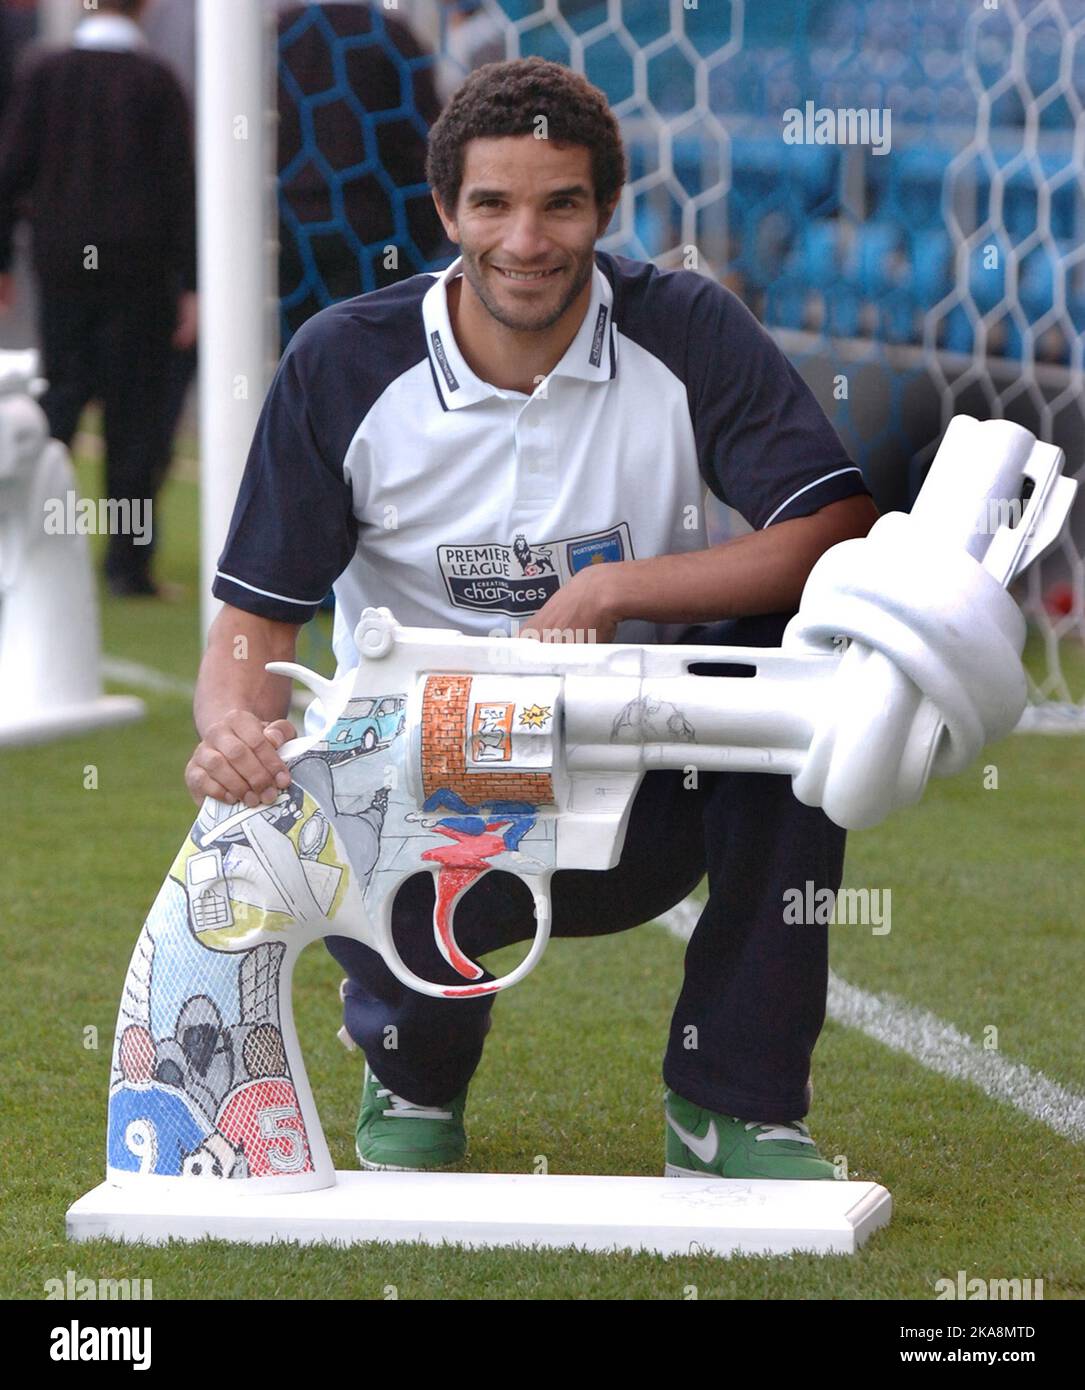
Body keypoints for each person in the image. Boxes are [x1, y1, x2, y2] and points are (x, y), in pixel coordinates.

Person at [187, 58, 879, 1181]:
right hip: (430, 785)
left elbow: (834, 526)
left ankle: (732, 1105)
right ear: (445, 210)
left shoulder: (687, 329)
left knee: (804, 665)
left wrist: (614, 590)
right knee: (421, 1043)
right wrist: (229, 725)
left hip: (652, 774)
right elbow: (252, 622)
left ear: (605, 210)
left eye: (560, 203)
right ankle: (406, 1069)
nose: (526, 239)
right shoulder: (343, 361)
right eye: (493, 205)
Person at [0, 0, 196, 597]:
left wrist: (2, 259)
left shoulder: (45, 72)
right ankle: (127, 565)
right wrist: (193, 284)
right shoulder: (157, 82)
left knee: (56, 404)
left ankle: (26, 546)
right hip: (142, 275)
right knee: (135, 420)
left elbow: (10, 171)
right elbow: (181, 188)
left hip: (62, 270)